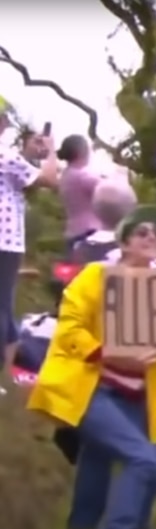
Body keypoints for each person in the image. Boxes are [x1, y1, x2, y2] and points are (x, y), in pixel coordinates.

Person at [27, 205, 156, 529]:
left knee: (145, 462)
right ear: (125, 240)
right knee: (143, 459)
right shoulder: (98, 275)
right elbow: (68, 328)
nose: (151, 238)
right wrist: (107, 355)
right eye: (142, 232)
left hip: (134, 391)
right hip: (91, 385)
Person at [0, 95, 59, 376]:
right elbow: (49, 180)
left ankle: (7, 372)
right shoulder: (4, 154)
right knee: (2, 307)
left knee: (6, 306)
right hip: (5, 240)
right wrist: (50, 151)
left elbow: (24, 185)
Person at [57, 135, 100, 252]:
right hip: (90, 232)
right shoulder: (82, 176)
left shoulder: (65, 175)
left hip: (72, 232)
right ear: (82, 152)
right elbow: (111, 192)